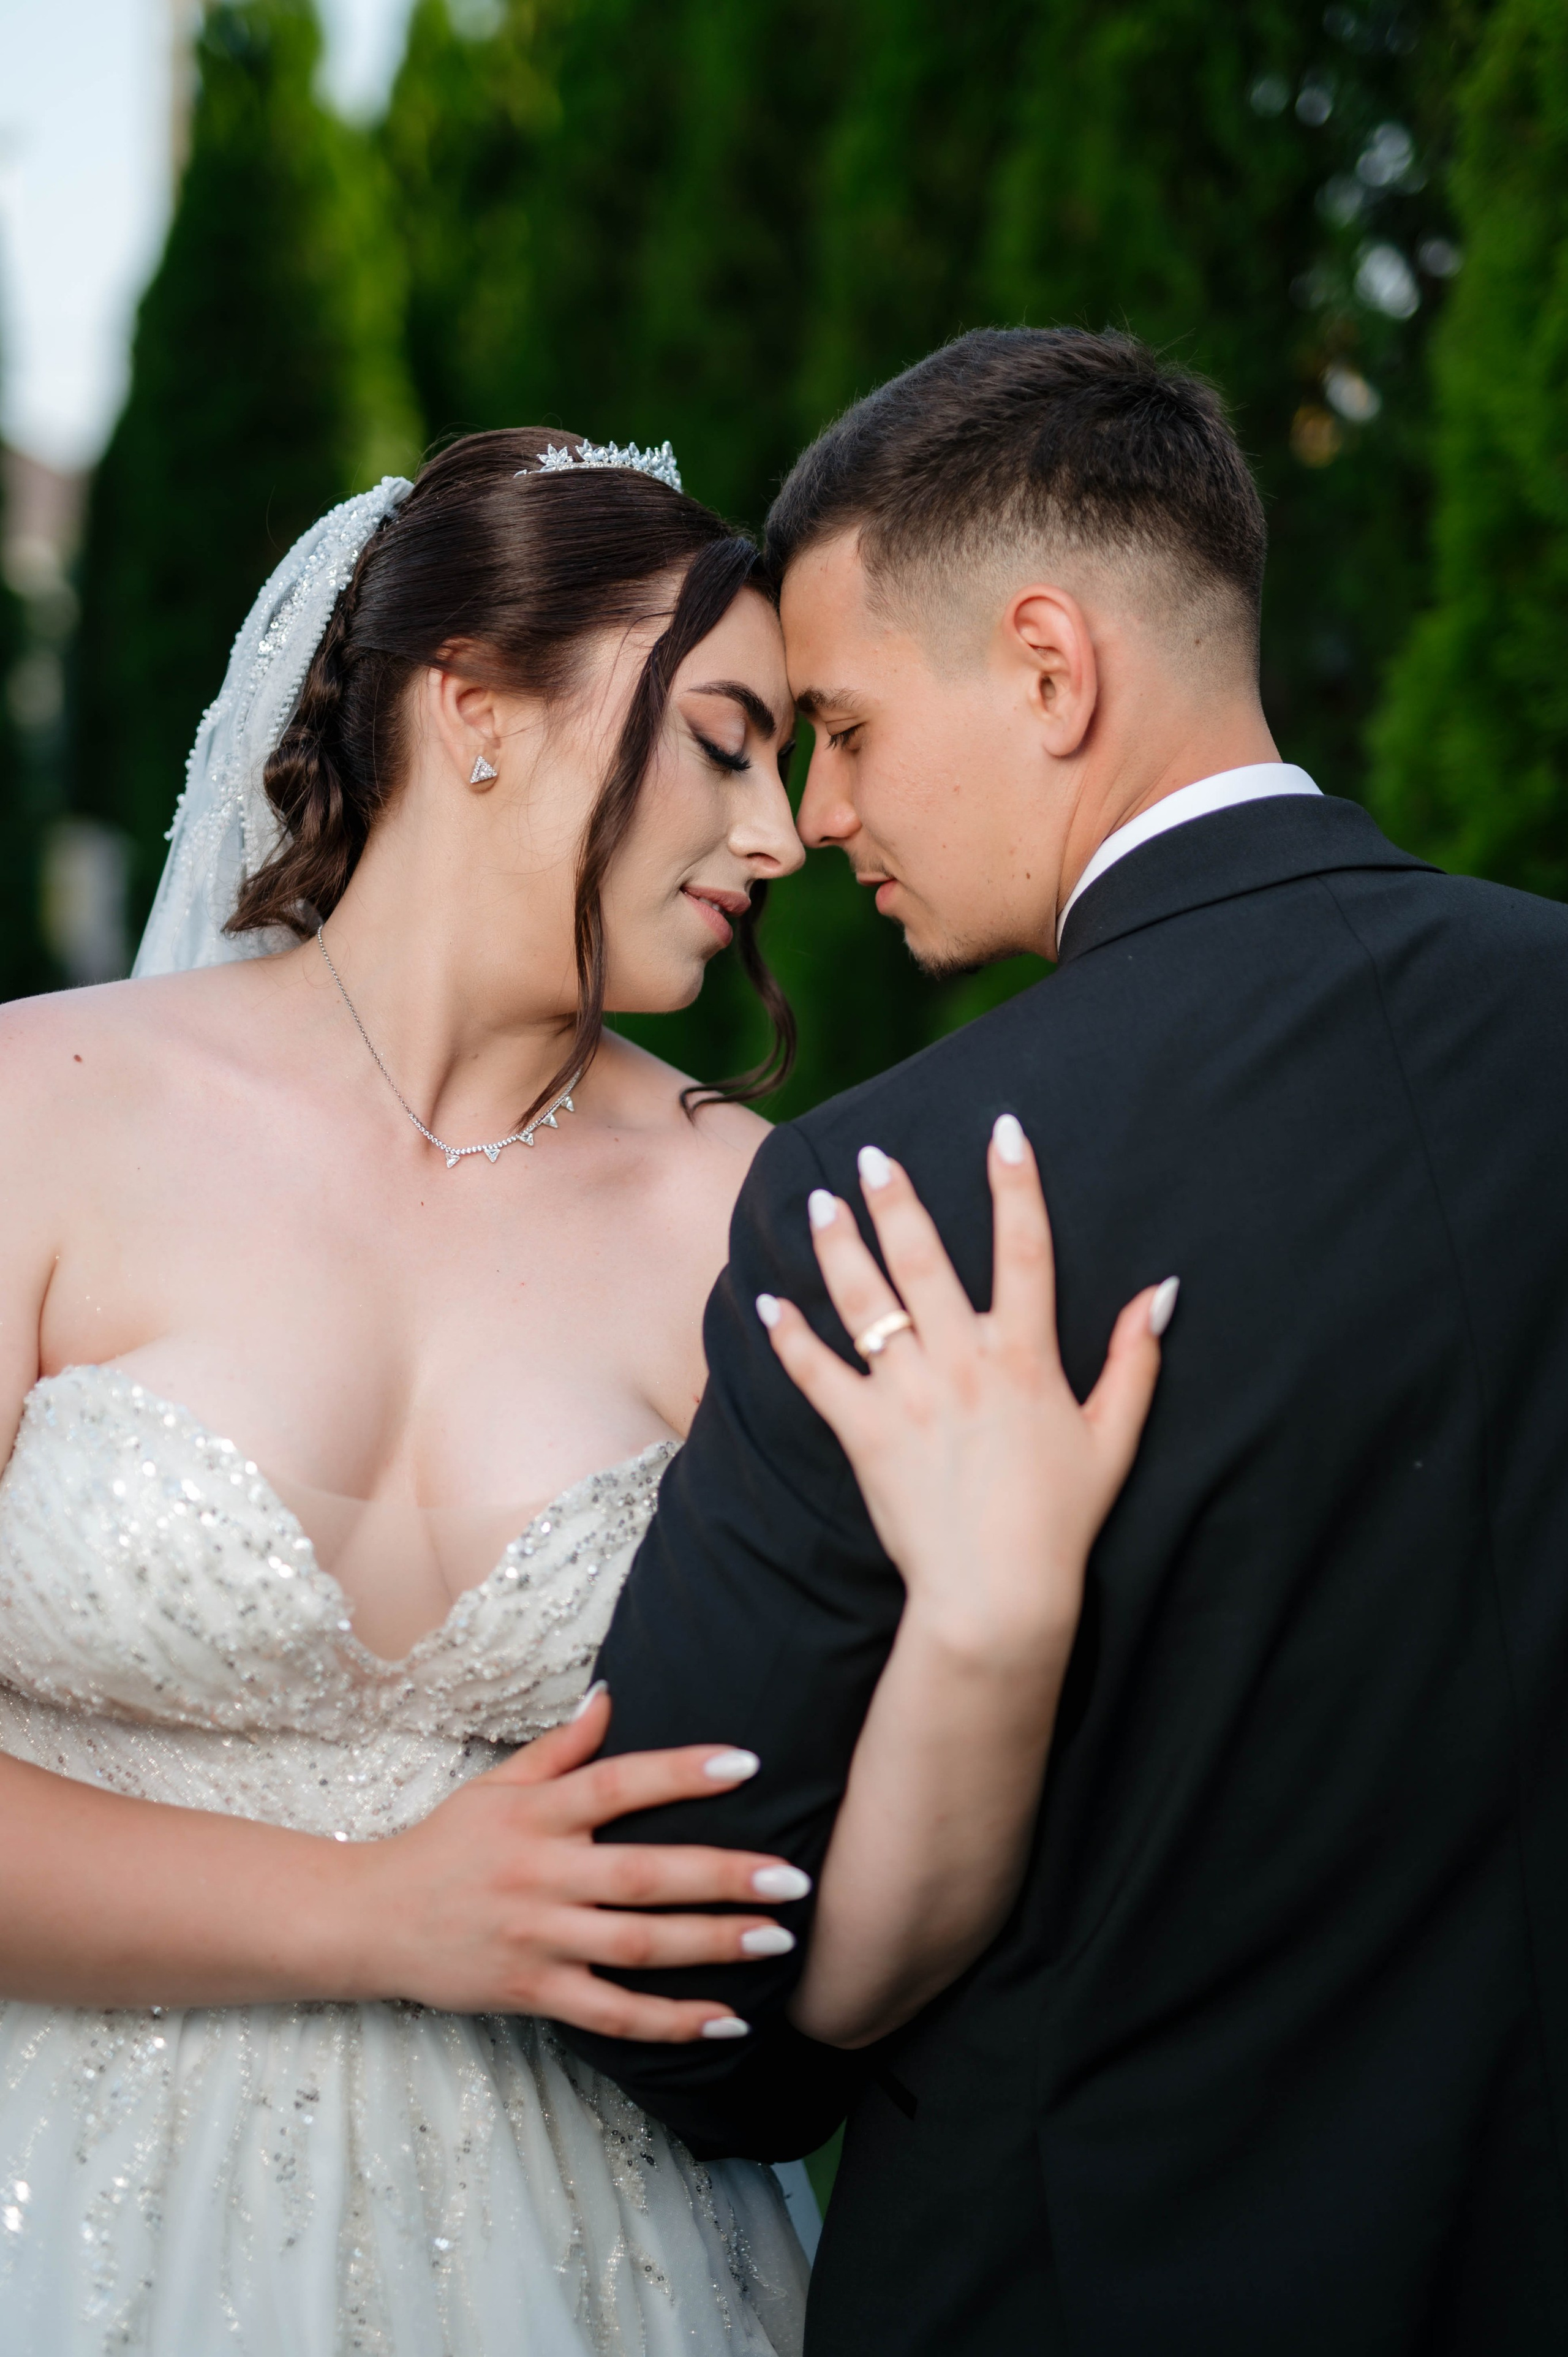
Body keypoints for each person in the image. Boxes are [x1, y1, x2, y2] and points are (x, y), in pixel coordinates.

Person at [0, 425, 1160, 2356]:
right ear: (476, 709)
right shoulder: (39, 1112)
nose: (784, 832)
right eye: (725, 740)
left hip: (593, 2256)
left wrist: (995, 1619)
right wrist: (379, 1910)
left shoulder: (757, 1221)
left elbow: (848, 1974)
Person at [565, 328, 1568, 2356]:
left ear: (1049, 666)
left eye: (839, 724)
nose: (819, 815)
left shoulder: (894, 1191)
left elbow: (697, 2000)